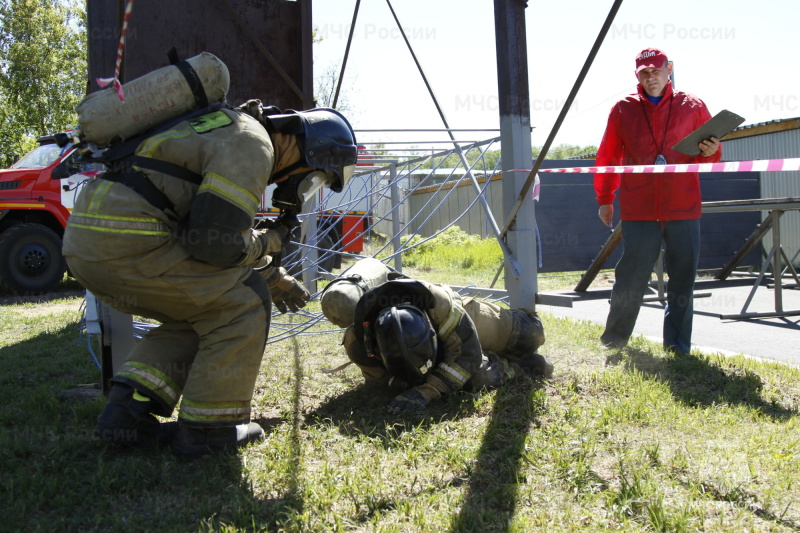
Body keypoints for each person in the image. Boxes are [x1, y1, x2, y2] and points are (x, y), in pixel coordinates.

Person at [63, 100, 358, 456]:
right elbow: (212, 244)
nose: (301, 185)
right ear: (306, 146)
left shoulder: (225, 128)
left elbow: (209, 252)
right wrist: (269, 240)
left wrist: (273, 273)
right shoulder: (254, 143)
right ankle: (208, 432)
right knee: (244, 303)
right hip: (133, 244)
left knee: (200, 312)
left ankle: (126, 414)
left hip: (89, 246)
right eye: (315, 177)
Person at [594, 48, 721, 354]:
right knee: (630, 278)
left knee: (683, 280)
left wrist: (712, 151)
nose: (651, 78)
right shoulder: (623, 109)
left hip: (683, 207)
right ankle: (614, 341)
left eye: (656, 71)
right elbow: (608, 156)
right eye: (644, 73)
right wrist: (605, 198)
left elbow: (711, 156)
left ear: (669, 69)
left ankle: (677, 346)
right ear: (637, 76)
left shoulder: (693, 105)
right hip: (640, 209)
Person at [320, 258, 552, 414]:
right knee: (478, 379)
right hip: (439, 354)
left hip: (461, 322)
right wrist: (414, 384)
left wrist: (427, 391)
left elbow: (466, 355)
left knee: (532, 335)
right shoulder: (359, 347)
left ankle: (517, 332)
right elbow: (385, 382)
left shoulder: (437, 303)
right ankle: (517, 367)